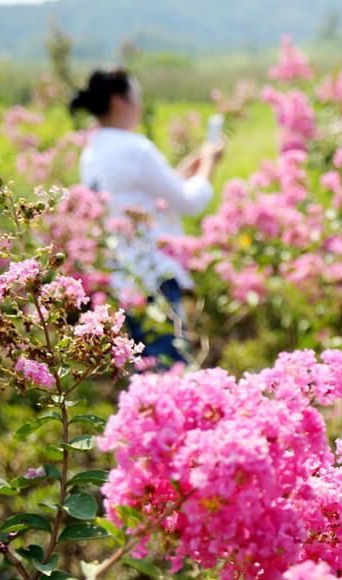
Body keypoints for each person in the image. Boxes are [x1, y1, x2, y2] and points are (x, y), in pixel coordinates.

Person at [70, 68, 222, 364]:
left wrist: (193, 163)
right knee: (171, 368)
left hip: (124, 279)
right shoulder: (135, 148)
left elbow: (149, 199)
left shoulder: (92, 152)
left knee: (147, 369)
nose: (140, 105)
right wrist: (210, 163)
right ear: (118, 101)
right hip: (156, 276)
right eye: (136, 97)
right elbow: (189, 202)